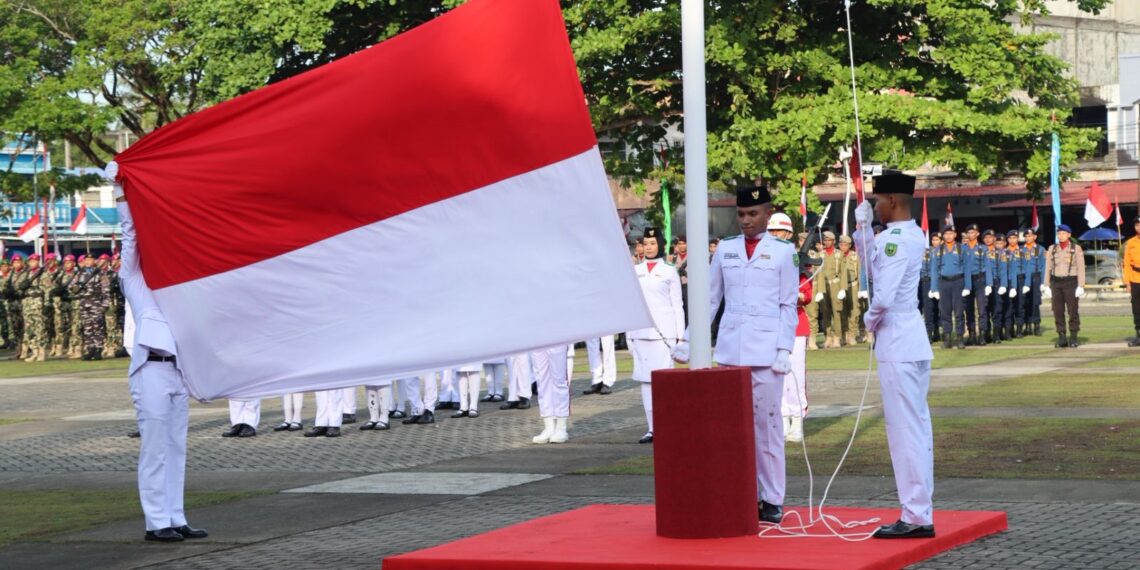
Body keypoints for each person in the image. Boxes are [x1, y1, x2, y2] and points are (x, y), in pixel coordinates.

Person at [676, 184, 796, 525]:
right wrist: (689, 340)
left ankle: (772, 498)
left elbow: (788, 303)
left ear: (768, 214)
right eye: (741, 214)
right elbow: (709, 300)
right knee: (731, 430)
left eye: (753, 214)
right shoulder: (725, 250)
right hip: (730, 352)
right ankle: (742, 493)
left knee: (768, 429)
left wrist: (784, 348)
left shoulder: (784, 252)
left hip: (768, 355)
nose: (746, 220)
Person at [112, 166, 208, 543]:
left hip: (178, 371)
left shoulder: (179, 289)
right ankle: (156, 522)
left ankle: (176, 515)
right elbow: (131, 238)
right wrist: (122, 196)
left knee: (176, 448)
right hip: (150, 369)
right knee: (154, 449)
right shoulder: (136, 283)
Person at [852, 170, 936, 539]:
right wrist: (863, 232)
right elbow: (871, 269)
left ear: (892, 201)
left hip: (898, 338)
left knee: (905, 432)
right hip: (907, 337)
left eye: (877, 202)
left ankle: (916, 515)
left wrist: (868, 322)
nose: (875, 206)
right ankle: (917, 511)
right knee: (914, 428)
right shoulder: (903, 235)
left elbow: (881, 296)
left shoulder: (897, 240)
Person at [627, 227, 684, 444]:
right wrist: (629, 334)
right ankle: (652, 428)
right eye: (646, 243)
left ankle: (667, 423)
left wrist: (679, 336)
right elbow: (631, 305)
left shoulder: (669, 271)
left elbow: (677, 304)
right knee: (645, 381)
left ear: (660, 244)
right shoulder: (635, 270)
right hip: (640, 332)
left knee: (663, 382)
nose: (649, 247)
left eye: (653, 243)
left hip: (664, 334)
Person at [771, 215, 810, 443]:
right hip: (772, 326)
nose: (775, 235)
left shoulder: (798, 261)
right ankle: (783, 417)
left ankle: (797, 419)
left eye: (779, 231)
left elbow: (806, 295)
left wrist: (788, 294)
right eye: (772, 231)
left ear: (789, 235)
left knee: (795, 374)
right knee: (777, 376)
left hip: (795, 325)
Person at [1044, 224, 1086, 348]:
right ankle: (1061, 336)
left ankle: (1073, 337)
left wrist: (1081, 285)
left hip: (1071, 282)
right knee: (1057, 311)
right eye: (1059, 233)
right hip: (1056, 283)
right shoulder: (1052, 248)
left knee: (1072, 310)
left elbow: (1081, 267)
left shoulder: (1075, 248)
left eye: (1063, 233)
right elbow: (1048, 267)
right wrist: (1046, 285)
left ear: (1069, 235)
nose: (1060, 236)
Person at [930, 225, 971, 349]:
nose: (948, 236)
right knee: (945, 312)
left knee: (959, 311)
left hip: (958, 282)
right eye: (946, 234)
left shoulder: (962, 249)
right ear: (943, 236)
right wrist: (934, 288)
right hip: (944, 283)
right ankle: (947, 339)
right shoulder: (938, 250)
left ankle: (959, 338)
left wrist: (967, 286)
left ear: (955, 234)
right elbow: (934, 270)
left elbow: (967, 269)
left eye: (951, 233)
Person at [530, 344, 571, 444]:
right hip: (537, 335)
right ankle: (549, 428)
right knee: (541, 381)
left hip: (557, 335)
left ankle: (561, 428)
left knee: (559, 380)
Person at [961, 224, 992, 346]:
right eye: (968, 233)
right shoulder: (963, 248)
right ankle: (972, 334)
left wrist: (989, 283)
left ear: (977, 234)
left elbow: (988, 266)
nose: (970, 235)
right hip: (967, 281)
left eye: (973, 232)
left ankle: (982, 335)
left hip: (980, 280)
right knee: (968, 309)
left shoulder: (983, 248)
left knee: (982, 309)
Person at [1021, 228, 1046, 336]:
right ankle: (1027, 325)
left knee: (1035, 302)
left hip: (1036, 278)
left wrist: (1043, 282)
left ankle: (1036, 325)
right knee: (1025, 302)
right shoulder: (1021, 250)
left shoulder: (1040, 249)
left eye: (1030, 236)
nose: (1028, 238)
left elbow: (1043, 266)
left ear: (1035, 237)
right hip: (1023, 278)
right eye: (1026, 236)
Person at [1003, 230, 1025, 339]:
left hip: (1020, 279)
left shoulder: (1023, 251)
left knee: (1020, 305)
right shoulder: (1004, 252)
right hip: (1008, 280)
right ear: (1007, 240)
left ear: (1017, 239)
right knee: (1009, 305)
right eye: (1010, 238)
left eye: (1014, 238)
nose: (1012, 240)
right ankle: (1009, 329)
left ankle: (1019, 329)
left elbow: (1027, 265)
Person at [922, 234, 942, 342]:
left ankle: (937, 331)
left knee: (939, 308)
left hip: (940, 281)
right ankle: (929, 332)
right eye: (933, 240)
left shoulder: (943, 251)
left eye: (937, 240)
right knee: (928, 309)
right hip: (926, 281)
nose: (935, 242)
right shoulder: (926, 251)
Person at [1125, 216, 1140, 347]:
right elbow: (1127, 264)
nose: (1139, 227)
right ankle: (1139, 335)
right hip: (1135, 279)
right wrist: (1127, 282)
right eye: (1137, 225)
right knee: (1136, 309)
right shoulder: (1130, 243)